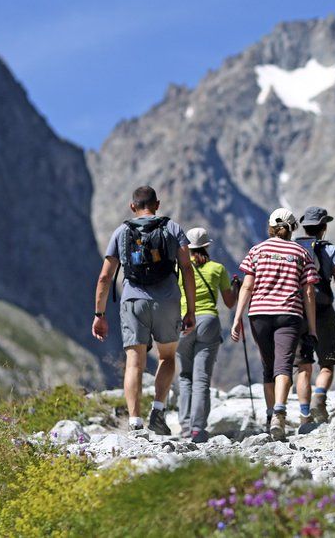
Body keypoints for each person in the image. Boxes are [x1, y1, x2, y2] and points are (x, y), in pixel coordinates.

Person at [93, 186, 196, 435]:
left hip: (133, 301)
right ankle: (158, 411)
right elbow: (187, 268)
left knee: (134, 363)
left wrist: (100, 314)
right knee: (168, 357)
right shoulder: (172, 228)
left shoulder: (121, 231)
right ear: (157, 204)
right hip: (168, 300)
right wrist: (190, 310)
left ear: (132, 206)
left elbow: (105, 277)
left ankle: (135, 422)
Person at [230, 208, 318, 441]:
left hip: (259, 314)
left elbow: (247, 285)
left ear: (270, 227)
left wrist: (237, 317)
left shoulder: (257, 251)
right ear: (292, 229)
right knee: (284, 365)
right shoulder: (301, 253)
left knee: (268, 366)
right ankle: (279, 411)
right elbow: (308, 290)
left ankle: (271, 416)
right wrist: (312, 327)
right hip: (289, 314)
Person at [176, 226, 238, 443]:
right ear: (206, 246)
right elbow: (230, 303)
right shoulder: (217, 269)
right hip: (209, 322)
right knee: (201, 378)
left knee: (185, 377)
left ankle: (184, 427)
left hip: (183, 322)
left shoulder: (179, 268)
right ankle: (197, 429)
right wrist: (235, 287)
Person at [294, 207, 335, 425]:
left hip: (298, 310)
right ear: (324, 227)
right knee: (326, 363)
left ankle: (304, 413)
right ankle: (320, 398)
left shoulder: (293, 249)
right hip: (323, 310)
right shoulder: (331, 250)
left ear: (305, 227)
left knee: (303, 366)